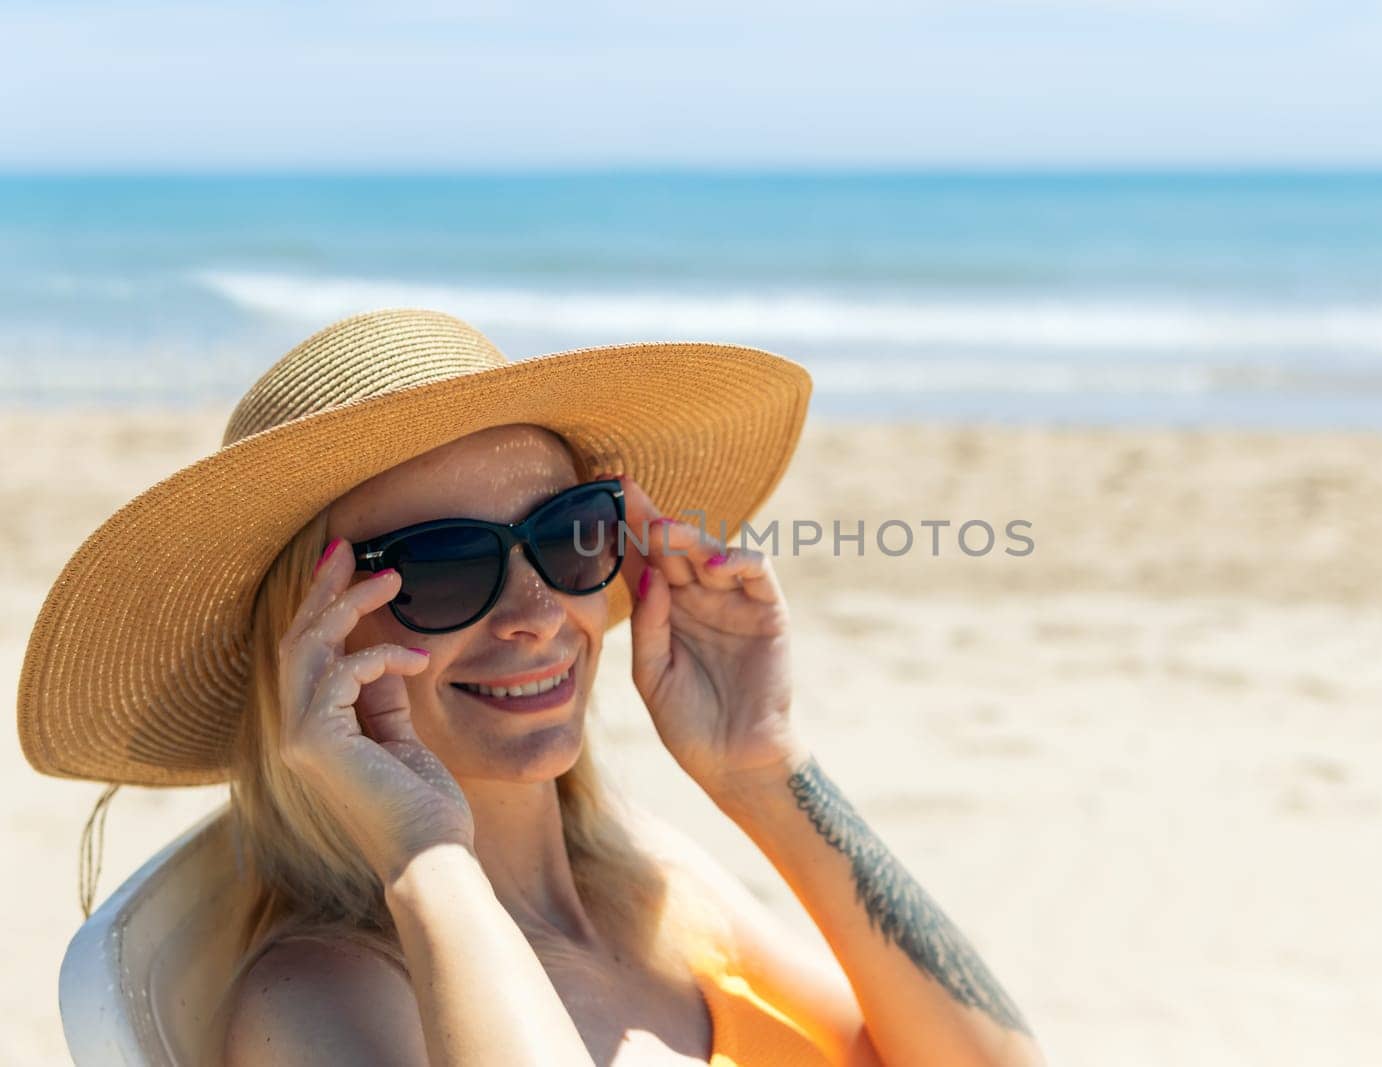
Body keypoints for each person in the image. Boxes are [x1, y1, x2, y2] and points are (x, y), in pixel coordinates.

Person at [18, 309, 1044, 1066]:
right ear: (313, 644)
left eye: (568, 534)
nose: (535, 608)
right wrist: (424, 853)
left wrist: (762, 764)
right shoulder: (324, 1003)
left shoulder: (649, 889)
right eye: (440, 566)